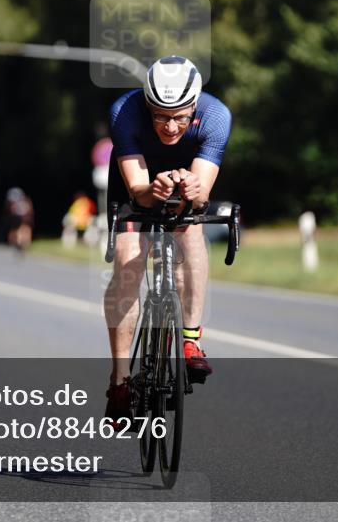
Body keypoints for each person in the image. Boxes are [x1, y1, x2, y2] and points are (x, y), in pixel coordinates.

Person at [103, 55, 231, 421]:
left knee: (190, 233)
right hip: (137, 187)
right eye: (160, 116)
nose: (171, 127)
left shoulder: (216, 116)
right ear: (147, 104)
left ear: (195, 106)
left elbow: (202, 196)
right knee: (128, 263)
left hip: (185, 184)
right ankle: (121, 379)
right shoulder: (125, 112)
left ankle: (190, 340)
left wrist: (193, 188)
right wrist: (153, 189)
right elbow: (138, 191)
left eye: (180, 117)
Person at [3, 187, 34, 252]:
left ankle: (23, 245)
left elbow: (29, 211)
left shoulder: (26, 201)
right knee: (15, 231)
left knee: (24, 230)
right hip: (17, 218)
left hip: (25, 218)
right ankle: (17, 244)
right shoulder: (15, 202)